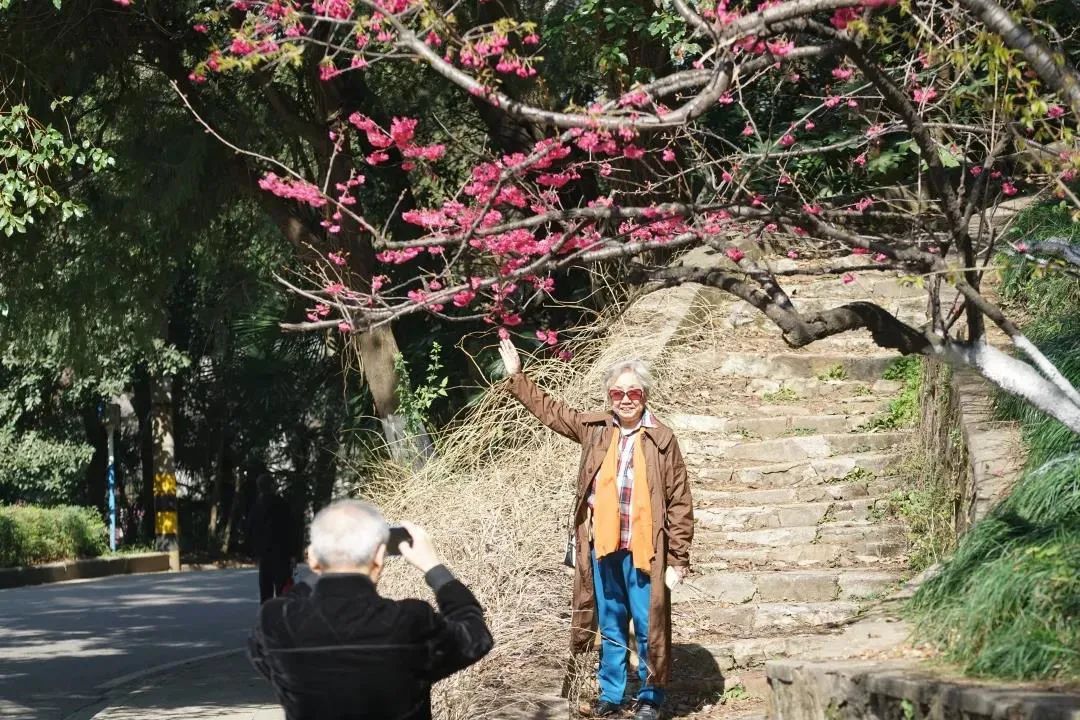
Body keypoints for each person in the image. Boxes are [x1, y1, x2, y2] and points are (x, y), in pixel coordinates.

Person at [499, 338, 693, 720]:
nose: (625, 399)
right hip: (603, 544)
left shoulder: (662, 439)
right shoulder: (595, 429)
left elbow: (679, 501)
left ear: (645, 395)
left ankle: (651, 695)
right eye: (617, 392)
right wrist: (518, 378)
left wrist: (679, 557)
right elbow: (553, 413)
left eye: (633, 392)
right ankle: (612, 693)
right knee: (610, 620)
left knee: (650, 620)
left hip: (646, 547)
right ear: (609, 396)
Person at [248, 500, 494, 720]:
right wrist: (433, 566)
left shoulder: (276, 623)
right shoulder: (411, 623)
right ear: (379, 556)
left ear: (312, 558)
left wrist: (322, 566)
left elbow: (267, 647)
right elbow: (475, 636)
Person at [246, 474, 299, 603]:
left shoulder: (256, 507)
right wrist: (293, 553)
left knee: (266, 590)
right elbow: (291, 529)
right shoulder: (282, 504)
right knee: (282, 589)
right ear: (272, 486)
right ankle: (282, 617)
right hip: (282, 552)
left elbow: (250, 530)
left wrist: (254, 550)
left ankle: (266, 617)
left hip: (264, 553)